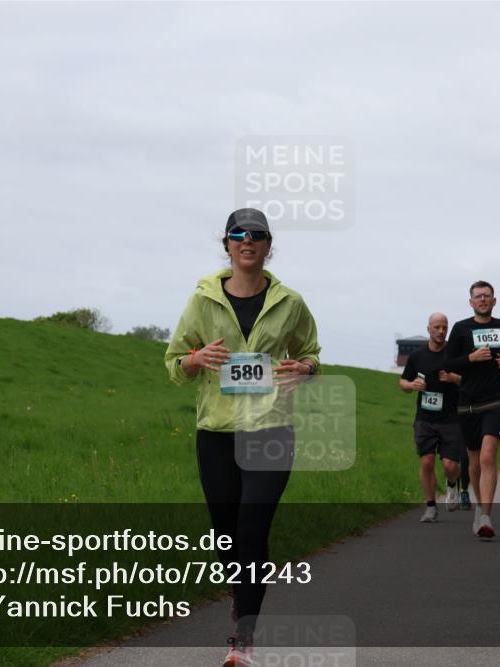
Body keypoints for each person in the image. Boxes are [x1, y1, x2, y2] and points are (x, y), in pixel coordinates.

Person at [164, 208, 321, 667]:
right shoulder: (201, 300)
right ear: (227, 244)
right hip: (216, 432)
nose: (247, 241)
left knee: (252, 529)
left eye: (257, 235)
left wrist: (305, 369)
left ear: (269, 245)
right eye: (238, 234)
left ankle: (243, 638)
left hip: (271, 429)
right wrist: (197, 357)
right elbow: (174, 364)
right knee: (226, 536)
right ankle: (240, 595)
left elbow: (310, 354)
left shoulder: (290, 302)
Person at [442, 280, 500, 539]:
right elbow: (447, 362)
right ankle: (479, 507)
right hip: (468, 403)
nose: (483, 300)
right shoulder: (461, 328)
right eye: (478, 296)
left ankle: (486, 516)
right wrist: (470, 359)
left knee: (488, 457)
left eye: (487, 296)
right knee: (474, 462)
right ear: (471, 302)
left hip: (496, 400)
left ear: (494, 300)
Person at [399, 313, 464, 522]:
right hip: (425, 417)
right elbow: (403, 383)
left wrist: (453, 378)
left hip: (451, 418)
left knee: (450, 466)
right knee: (427, 461)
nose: (441, 331)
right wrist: (412, 385)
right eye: (437, 327)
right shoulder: (417, 356)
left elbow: (469, 381)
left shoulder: (455, 354)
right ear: (428, 329)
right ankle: (430, 507)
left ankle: (452, 485)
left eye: (444, 327)